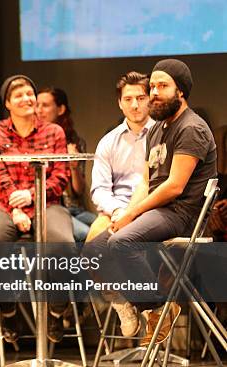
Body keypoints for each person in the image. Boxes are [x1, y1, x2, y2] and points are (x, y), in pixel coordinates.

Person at [85, 59, 217, 345]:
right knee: (94, 248)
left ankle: (156, 306)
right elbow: (145, 182)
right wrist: (128, 213)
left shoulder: (191, 127)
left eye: (162, 86)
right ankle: (151, 306)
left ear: (180, 91)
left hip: (182, 214)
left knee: (121, 242)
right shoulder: (158, 130)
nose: (155, 92)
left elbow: (174, 186)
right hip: (157, 211)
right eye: (153, 86)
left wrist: (133, 215)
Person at [0, 75, 72, 343]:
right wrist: (16, 207)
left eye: (29, 93)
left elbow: (61, 176)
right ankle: (9, 312)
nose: (26, 98)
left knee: (62, 242)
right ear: (7, 103)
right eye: (18, 95)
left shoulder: (53, 132)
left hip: (46, 202)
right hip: (6, 204)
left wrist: (32, 196)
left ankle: (56, 310)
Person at [87, 72, 155, 243]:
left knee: (123, 245)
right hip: (114, 212)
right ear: (119, 103)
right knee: (91, 253)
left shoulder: (162, 135)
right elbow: (100, 189)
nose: (134, 105)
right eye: (128, 99)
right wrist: (117, 210)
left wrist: (132, 212)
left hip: (150, 210)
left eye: (141, 98)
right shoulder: (108, 141)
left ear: (150, 100)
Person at [36, 87, 96, 241]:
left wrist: (74, 166)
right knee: (85, 234)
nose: (39, 110)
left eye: (45, 105)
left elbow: (78, 190)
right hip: (52, 207)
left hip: (75, 208)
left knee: (104, 229)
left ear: (61, 109)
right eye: (37, 105)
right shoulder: (34, 139)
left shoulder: (74, 142)